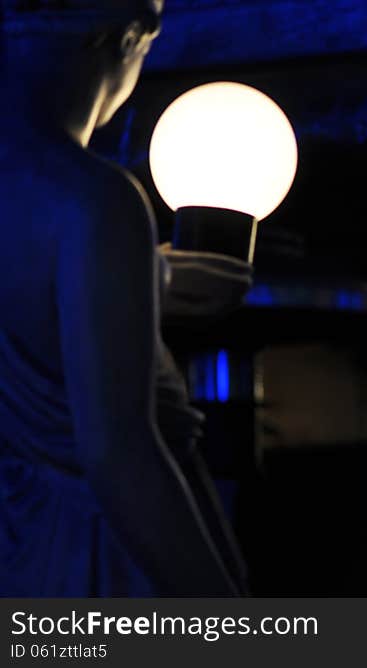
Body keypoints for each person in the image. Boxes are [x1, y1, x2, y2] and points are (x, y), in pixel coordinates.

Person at [0, 0, 250, 595]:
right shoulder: (95, 200)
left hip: (19, 549)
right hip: (100, 562)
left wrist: (146, 281)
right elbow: (120, 455)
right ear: (121, 39)